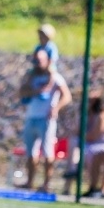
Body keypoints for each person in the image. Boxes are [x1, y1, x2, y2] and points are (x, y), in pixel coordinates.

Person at [17, 48, 72, 192]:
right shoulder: (31, 76)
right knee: (31, 152)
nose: (37, 63)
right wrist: (35, 91)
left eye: (40, 60)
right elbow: (22, 92)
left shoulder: (55, 77)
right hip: (31, 117)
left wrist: (56, 108)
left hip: (46, 119)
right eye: (35, 60)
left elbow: (67, 96)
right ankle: (30, 182)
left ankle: (46, 184)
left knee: (48, 152)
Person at [61, 90, 104, 194]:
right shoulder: (85, 114)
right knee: (73, 143)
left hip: (100, 144)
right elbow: (76, 130)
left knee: (89, 153)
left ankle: (92, 187)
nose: (88, 103)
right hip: (87, 142)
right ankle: (70, 178)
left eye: (91, 101)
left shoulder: (103, 115)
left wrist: (80, 134)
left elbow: (94, 135)